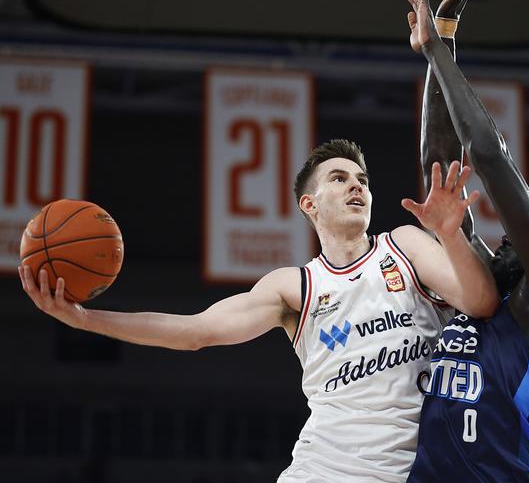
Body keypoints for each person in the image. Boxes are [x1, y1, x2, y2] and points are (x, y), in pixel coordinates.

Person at [19, 136, 498, 480]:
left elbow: (481, 302)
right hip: (320, 468)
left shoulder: (406, 246)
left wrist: (452, 234)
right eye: (340, 178)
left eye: (363, 180)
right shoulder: (294, 287)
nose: (357, 187)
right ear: (309, 204)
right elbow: (194, 332)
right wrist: (84, 320)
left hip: (402, 470)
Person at [404, 0, 529, 481]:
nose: (509, 237)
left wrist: (434, 52)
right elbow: (440, 166)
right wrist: (445, 35)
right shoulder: (485, 291)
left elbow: (489, 157)